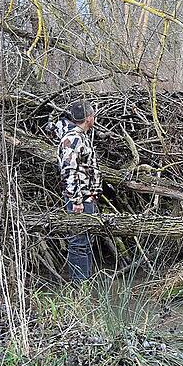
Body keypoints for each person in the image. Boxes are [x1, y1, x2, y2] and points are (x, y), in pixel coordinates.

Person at [57, 100, 102, 281]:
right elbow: (69, 171)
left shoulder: (81, 137)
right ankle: (79, 286)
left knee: (86, 243)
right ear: (88, 118)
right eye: (92, 115)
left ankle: (85, 282)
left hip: (87, 199)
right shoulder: (73, 139)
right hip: (79, 201)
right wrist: (76, 200)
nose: (94, 118)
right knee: (78, 244)